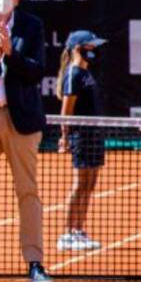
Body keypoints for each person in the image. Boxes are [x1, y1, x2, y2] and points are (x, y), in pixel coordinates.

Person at [0, 0, 52, 282]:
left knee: (28, 192)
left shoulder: (31, 26)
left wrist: (12, 54)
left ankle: (34, 263)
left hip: (21, 120)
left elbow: (37, 72)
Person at [55, 30, 107, 253]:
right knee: (80, 185)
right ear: (78, 48)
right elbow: (66, 109)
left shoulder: (85, 72)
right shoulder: (73, 74)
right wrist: (65, 137)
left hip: (95, 135)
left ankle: (78, 230)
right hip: (81, 136)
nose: (94, 50)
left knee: (90, 185)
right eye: (90, 46)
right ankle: (68, 233)